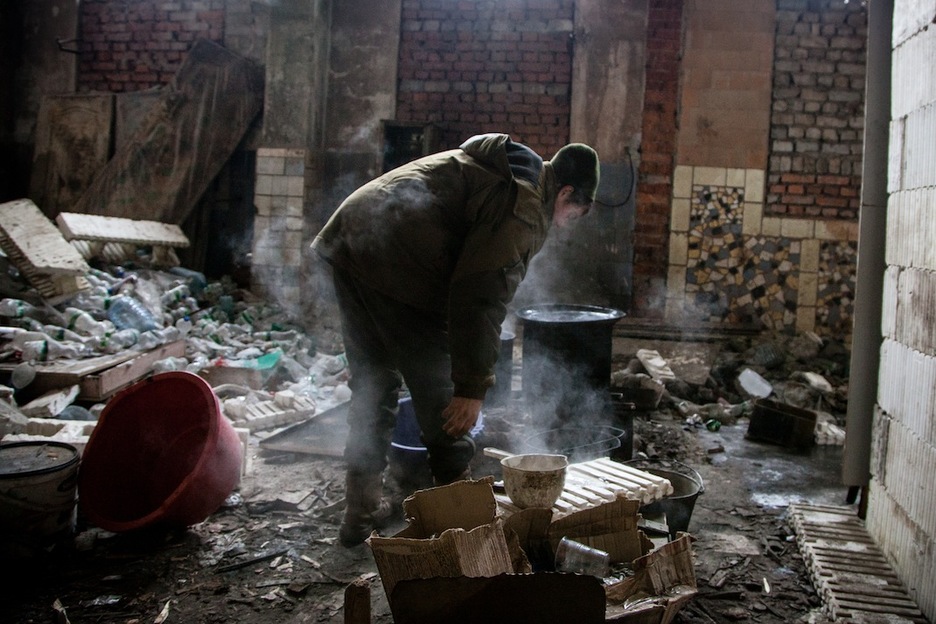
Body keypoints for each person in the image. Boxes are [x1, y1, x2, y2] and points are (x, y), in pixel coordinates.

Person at [311, 133, 600, 546]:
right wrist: (471, 386)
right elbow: (479, 295)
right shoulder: (526, 204)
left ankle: (360, 512)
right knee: (443, 399)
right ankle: (459, 524)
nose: (568, 224)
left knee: (373, 383)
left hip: (353, 236)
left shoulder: (506, 169)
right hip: (393, 256)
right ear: (567, 191)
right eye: (576, 213)